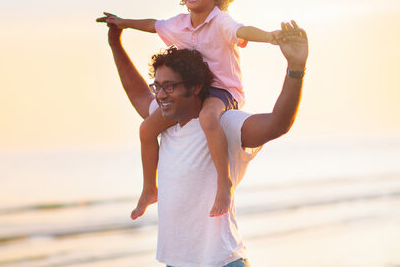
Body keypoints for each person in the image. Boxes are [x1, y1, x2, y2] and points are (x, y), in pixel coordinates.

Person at [105, 20, 308, 266]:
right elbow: (137, 92)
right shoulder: (165, 125)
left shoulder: (224, 124)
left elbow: (277, 123)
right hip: (175, 262)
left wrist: (295, 68)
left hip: (222, 262)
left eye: (169, 87)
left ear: (196, 88)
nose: (160, 95)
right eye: (157, 86)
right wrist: (115, 43)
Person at [97, 0, 282, 219]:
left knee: (208, 118)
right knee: (146, 129)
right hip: (195, 92)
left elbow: (243, 30)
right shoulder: (180, 23)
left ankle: (224, 184)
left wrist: (272, 37)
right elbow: (153, 24)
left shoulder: (221, 21)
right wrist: (122, 23)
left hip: (223, 91)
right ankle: (150, 188)